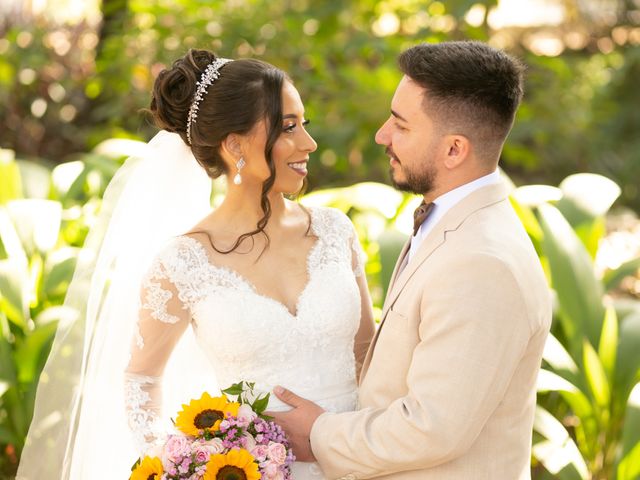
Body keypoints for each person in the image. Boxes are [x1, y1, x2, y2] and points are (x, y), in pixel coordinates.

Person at [17, 49, 375, 479]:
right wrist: (180, 467)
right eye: (288, 128)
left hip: (360, 458)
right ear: (234, 145)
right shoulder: (184, 262)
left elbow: (366, 353)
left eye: (305, 125)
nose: (309, 144)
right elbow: (141, 380)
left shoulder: (335, 231)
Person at [270, 40, 552, 479]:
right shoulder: (451, 221)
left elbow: (432, 427)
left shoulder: (481, 262)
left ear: (454, 150)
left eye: (401, 126)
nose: (382, 135)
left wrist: (320, 432)